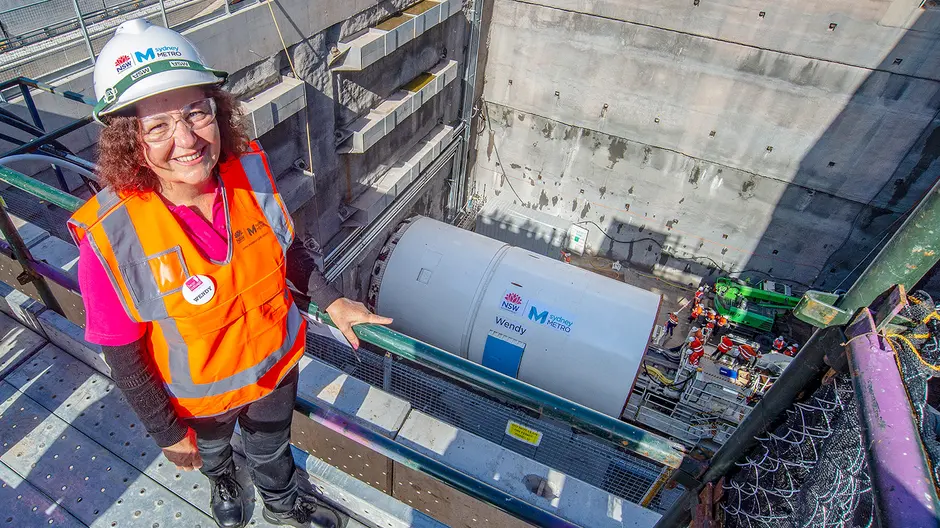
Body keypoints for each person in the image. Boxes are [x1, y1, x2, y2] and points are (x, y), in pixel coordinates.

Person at [70, 20, 392, 528]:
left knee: (272, 451)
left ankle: (283, 507)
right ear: (130, 141)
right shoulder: (111, 238)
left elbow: (285, 253)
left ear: (216, 112)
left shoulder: (250, 174)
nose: (185, 139)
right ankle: (223, 480)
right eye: (157, 127)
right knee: (214, 453)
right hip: (201, 399)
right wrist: (167, 433)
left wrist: (332, 300)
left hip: (273, 372)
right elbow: (124, 357)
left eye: (196, 112)